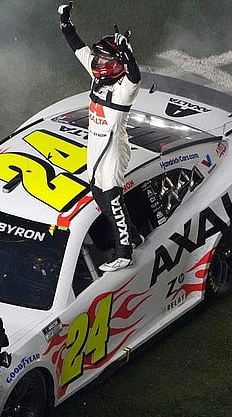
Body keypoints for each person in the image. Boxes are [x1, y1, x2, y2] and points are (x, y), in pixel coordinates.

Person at [58, 2, 144, 272]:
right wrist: (65, 22)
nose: (97, 62)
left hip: (113, 149)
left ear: (116, 65)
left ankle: (125, 253)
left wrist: (127, 54)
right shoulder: (98, 78)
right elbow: (78, 49)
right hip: (95, 145)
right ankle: (133, 236)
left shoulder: (122, 90)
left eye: (104, 59)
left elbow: (135, 76)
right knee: (98, 193)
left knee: (112, 198)